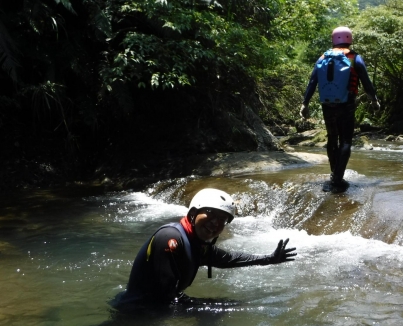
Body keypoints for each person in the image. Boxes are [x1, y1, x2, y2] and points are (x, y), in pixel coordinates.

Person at [116, 188, 296, 308]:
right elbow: (164, 298)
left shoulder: (196, 242)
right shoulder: (171, 239)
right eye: (211, 213)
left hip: (157, 307)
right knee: (222, 308)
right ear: (193, 214)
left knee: (223, 307)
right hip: (139, 310)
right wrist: (208, 306)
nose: (216, 222)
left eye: (223, 219)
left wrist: (269, 259)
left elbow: (229, 259)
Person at [300, 26, 380, 189]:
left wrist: (305, 103)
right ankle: (338, 177)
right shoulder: (354, 58)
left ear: (333, 39)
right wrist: (374, 101)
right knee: (345, 141)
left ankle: (333, 172)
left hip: (327, 104)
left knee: (332, 138)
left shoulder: (323, 57)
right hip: (347, 104)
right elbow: (366, 82)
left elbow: (312, 81)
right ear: (349, 39)